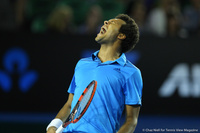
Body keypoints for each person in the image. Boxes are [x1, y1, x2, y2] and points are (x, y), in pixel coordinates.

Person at [46, 14, 143, 133]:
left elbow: (131, 121)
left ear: (121, 35)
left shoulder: (131, 73)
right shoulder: (82, 64)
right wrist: (52, 126)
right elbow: (70, 104)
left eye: (112, 22)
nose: (106, 21)